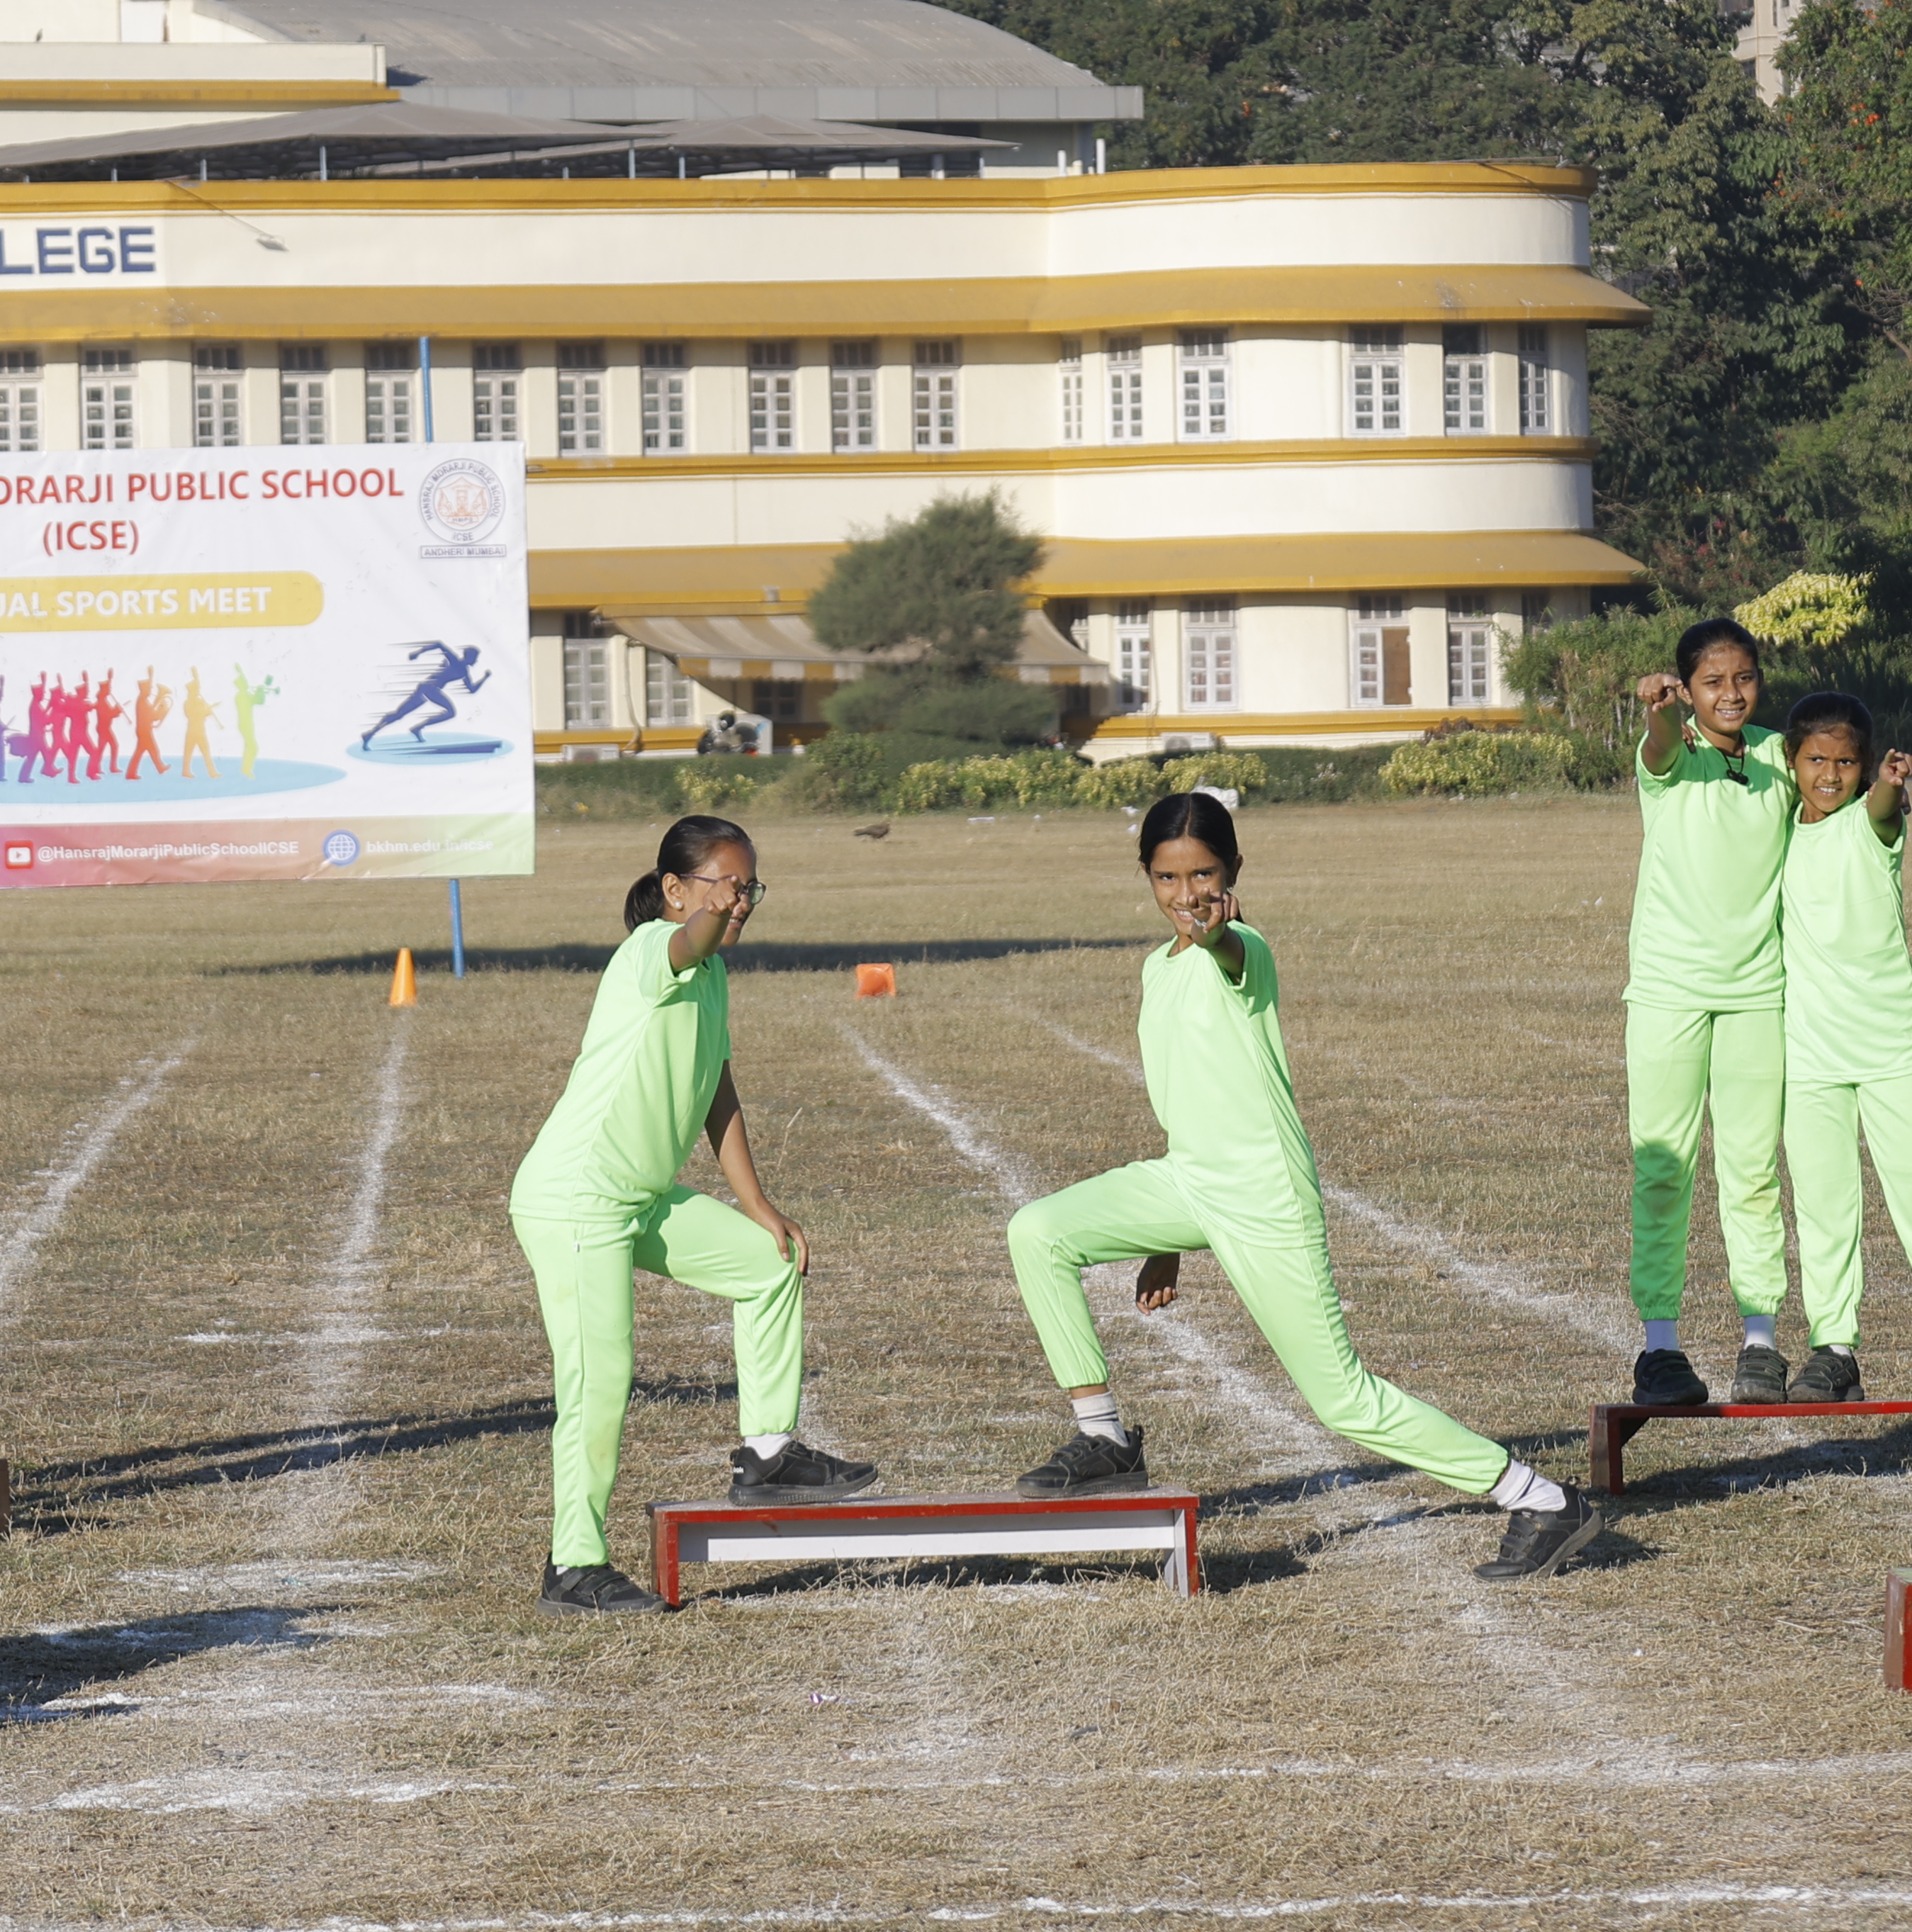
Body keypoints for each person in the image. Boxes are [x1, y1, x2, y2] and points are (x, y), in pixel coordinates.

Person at [1004, 794, 1610, 1583]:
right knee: (1038, 1230)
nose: (1187, 894)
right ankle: (1107, 1438)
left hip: (1264, 1196)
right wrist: (1164, 1240)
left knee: (1344, 1400)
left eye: (1205, 875)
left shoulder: (1245, 947)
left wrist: (1221, 931)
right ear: (1147, 877)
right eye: (1168, 877)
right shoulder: (1157, 967)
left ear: (1234, 874)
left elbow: (1225, 951)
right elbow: (1195, 1098)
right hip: (1190, 1178)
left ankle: (1540, 1499)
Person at [505, 814, 871, 1612]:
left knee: (770, 1264)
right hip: (576, 1197)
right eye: (725, 886)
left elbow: (717, 1090)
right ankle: (573, 1564)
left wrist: (759, 1206)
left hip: (637, 1198)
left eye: (752, 888)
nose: (741, 902)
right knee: (599, 1377)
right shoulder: (653, 953)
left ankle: (770, 1455)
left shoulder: (711, 976)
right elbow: (690, 940)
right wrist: (709, 916)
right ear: (674, 891)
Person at [1772, 692, 1912, 1400]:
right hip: (1808, 1060)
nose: (1829, 774)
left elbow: (1883, 812)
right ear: (1792, 762)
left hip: (1894, 1050)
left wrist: (1893, 783)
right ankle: (1833, 1352)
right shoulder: (1779, 833)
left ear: (1865, 767)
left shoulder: (1871, 826)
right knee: (1824, 1210)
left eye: (1846, 762)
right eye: (1816, 760)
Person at [1621, 617, 1796, 1408]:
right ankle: (1661, 1347)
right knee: (1664, 1168)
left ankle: (1760, 1339)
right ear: (1688, 690)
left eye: (1744, 677)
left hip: (1760, 991)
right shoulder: (1671, 755)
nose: (1732, 693)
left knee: (1754, 1169)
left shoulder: (1776, 756)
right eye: (1713, 681)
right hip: (1668, 992)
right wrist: (1659, 714)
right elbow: (1659, 746)